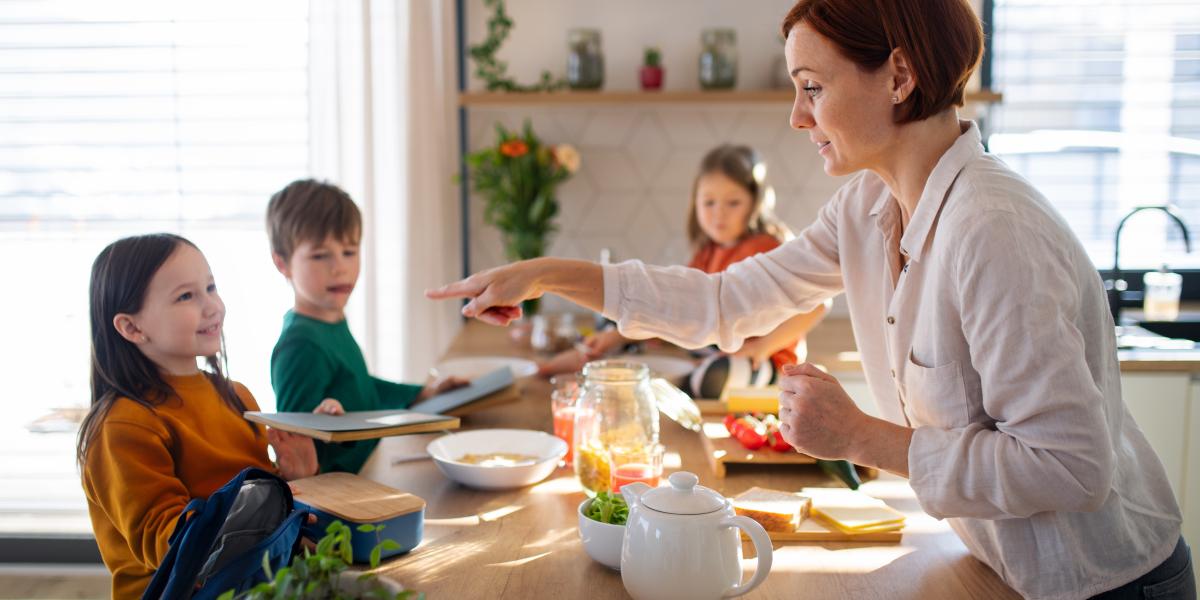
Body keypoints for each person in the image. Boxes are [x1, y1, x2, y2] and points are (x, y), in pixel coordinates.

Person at [427, 0, 1195, 598]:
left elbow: (1069, 468)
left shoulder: (993, 230)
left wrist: (862, 437)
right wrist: (550, 274)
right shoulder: (866, 208)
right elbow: (726, 302)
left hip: (1103, 586)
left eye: (812, 88)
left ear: (899, 77)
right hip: (996, 567)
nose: (797, 117)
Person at [78, 234, 319, 599]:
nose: (213, 306)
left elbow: (252, 496)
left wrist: (294, 478)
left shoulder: (236, 395)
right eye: (186, 296)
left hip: (259, 579)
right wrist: (275, 523)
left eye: (210, 287)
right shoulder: (123, 425)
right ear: (131, 327)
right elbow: (171, 546)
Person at [537, 145, 828, 398]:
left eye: (733, 203)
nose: (719, 213)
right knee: (614, 325)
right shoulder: (706, 252)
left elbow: (817, 303)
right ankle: (591, 362)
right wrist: (620, 337)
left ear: (755, 202)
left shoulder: (770, 247)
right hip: (712, 349)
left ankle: (663, 384)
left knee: (712, 376)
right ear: (695, 204)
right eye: (709, 202)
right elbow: (678, 313)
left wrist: (763, 347)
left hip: (763, 362)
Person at [267, 179, 466, 474]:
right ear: (282, 263)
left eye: (349, 252)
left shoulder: (330, 320)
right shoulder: (301, 344)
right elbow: (293, 443)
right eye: (321, 255)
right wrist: (319, 427)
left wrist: (423, 392)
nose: (340, 267)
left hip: (373, 466)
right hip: (342, 491)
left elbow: (359, 386)